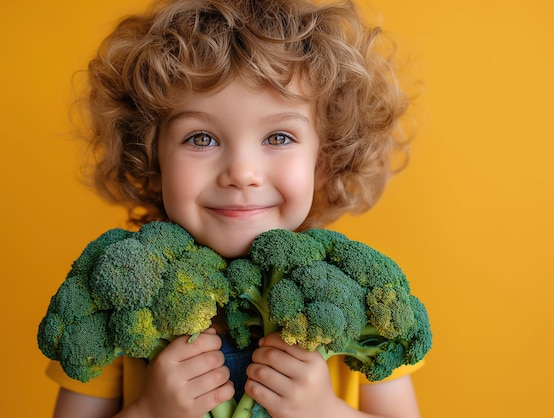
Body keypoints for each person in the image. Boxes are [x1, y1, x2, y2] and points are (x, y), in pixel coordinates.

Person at [47, 0, 424, 417]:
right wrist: (150, 411)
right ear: (151, 157)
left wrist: (323, 411)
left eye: (278, 137)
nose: (242, 173)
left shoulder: (365, 305)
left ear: (327, 158)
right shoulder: (113, 302)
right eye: (201, 139)